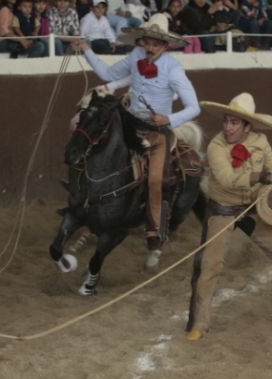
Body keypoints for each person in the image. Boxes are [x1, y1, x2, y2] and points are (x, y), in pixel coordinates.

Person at [73, 13, 200, 251]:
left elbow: (195, 107)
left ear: (165, 44)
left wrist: (169, 118)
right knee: (95, 143)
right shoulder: (135, 55)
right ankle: (84, 202)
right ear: (141, 40)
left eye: (155, 43)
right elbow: (109, 75)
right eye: (146, 41)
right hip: (128, 121)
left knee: (154, 180)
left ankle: (154, 230)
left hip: (156, 131)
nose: (149, 47)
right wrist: (86, 49)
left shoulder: (174, 69)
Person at [186, 92, 272, 341]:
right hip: (222, 211)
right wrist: (259, 177)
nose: (228, 127)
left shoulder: (261, 142)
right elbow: (227, 179)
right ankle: (200, 323)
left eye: (234, 123)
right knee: (210, 266)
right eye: (226, 121)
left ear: (247, 126)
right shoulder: (216, 146)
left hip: (250, 210)